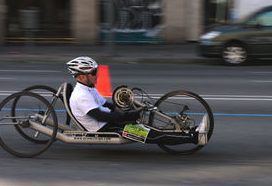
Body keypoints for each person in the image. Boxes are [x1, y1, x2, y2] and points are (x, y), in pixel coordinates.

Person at [66, 56, 207, 145]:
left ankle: (188, 131)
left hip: (110, 121)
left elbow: (106, 105)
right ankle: (194, 137)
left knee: (138, 110)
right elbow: (100, 116)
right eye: (94, 73)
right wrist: (125, 116)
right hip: (105, 128)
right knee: (150, 135)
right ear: (82, 76)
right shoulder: (81, 95)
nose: (97, 75)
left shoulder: (89, 88)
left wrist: (122, 109)